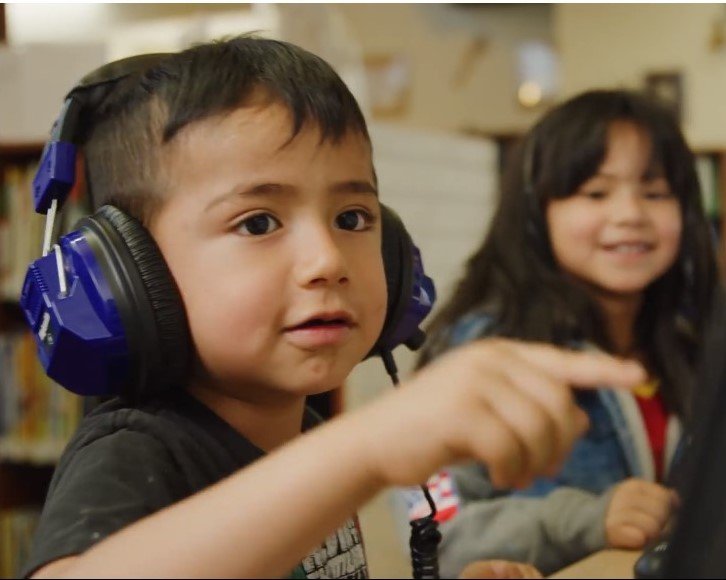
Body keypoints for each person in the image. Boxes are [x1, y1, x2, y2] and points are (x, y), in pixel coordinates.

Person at [23, 39, 646, 579]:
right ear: (131, 273)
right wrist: (365, 446)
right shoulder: (138, 447)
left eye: (353, 218)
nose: (327, 259)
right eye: (258, 222)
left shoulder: (306, 435)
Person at [410, 89, 719, 577]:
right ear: (537, 213)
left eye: (655, 192)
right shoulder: (485, 350)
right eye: (596, 192)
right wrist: (580, 520)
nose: (630, 214)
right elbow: (432, 530)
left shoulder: (696, 338)